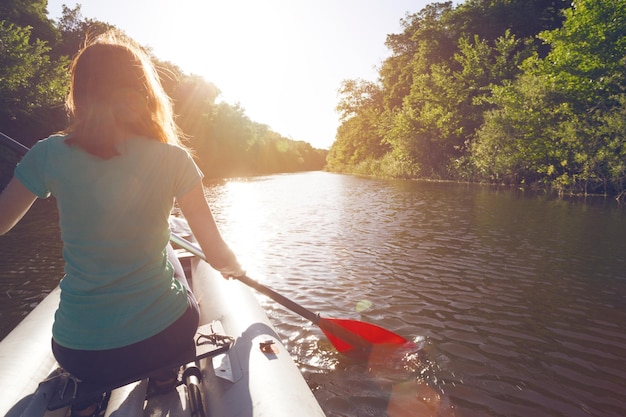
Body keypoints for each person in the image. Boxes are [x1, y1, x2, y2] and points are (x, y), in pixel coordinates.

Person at [0, 30, 244, 416]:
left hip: (79, 354)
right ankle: (165, 375)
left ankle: (96, 387)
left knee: (162, 251)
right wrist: (232, 264)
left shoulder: (48, 154)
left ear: (79, 93)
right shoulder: (174, 159)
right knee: (171, 259)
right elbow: (214, 252)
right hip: (163, 340)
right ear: (143, 91)